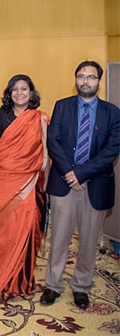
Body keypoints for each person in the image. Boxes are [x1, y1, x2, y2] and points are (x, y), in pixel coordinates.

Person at [40, 60, 119, 310]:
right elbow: (54, 141)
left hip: (94, 185)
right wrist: (70, 173)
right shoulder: (62, 107)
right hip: (64, 183)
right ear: (76, 80)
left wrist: (81, 173)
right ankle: (53, 285)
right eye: (81, 76)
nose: (86, 81)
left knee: (88, 241)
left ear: (99, 80)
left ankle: (81, 286)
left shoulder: (112, 112)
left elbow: (112, 150)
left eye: (91, 77)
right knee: (59, 238)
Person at [0, 74, 48, 304]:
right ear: (9, 93)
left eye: (24, 89)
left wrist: (42, 178)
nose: (19, 93)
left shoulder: (39, 118)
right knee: (5, 231)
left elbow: (46, 153)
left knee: (27, 228)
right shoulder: (0, 116)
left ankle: (21, 282)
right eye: (15, 89)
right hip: (4, 180)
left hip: (29, 179)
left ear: (31, 93)